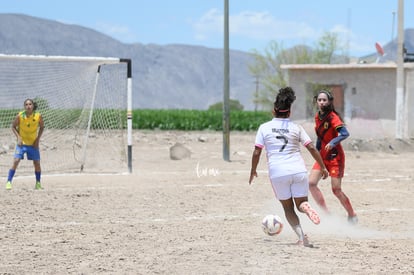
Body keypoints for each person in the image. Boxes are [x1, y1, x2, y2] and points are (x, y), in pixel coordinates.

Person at [249, 87, 329, 247]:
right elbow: (312, 147)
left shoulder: (264, 128)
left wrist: (253, 170)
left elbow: (257, 151)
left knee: (288, 207)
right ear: (289, 113)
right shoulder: (296, 127)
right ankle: (306, 207)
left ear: (274, 111)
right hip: (298, 170)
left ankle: (301, 237)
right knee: (300, 203)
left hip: (278, 173)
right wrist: (323, 167)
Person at [308, 90, 358, 224]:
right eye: (319, 100)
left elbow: (344, 133)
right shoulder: (317, 117)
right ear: (316, 101)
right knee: (311, 184)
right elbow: (320, 137)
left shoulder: (332, 117)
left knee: (336, 190)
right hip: (322, 157)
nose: (322, 102)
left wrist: (332, 142)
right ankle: (326, 214)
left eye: (324, 100)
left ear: (329, 102)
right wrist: (317, 154)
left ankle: (352, 214)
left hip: (335, 157)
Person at [6, 98, 44, 190]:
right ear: (24, 106)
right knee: (16, 161)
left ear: (33, 106)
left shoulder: (38, 116)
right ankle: (9, 182)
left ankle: (38, 183)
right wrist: (18, 138)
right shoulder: (20, 116)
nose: (28, 106)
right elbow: (13, 126)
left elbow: (42, 127)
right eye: (26, 105)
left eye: (30, 104)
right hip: (22, 144)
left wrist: (37, 140)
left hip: (33, 144)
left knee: (37, 163)